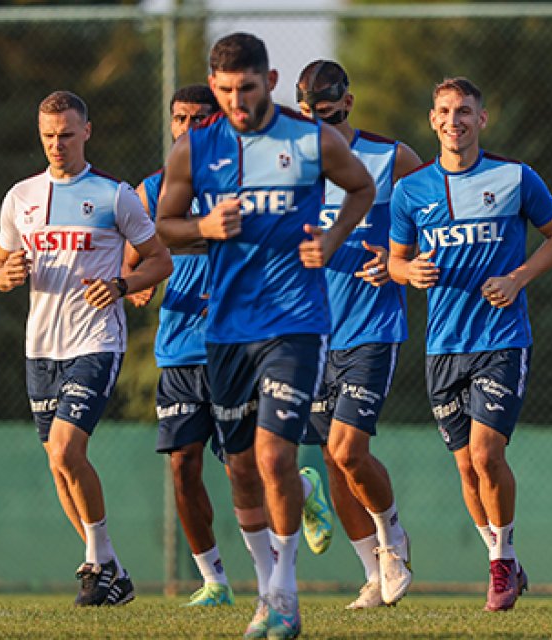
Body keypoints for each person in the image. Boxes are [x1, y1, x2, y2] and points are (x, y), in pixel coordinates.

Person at [154, 33, 376, 639]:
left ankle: (284, 593)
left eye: (246, 89)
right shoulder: (195, 151)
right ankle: (263, 586)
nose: (235, 101)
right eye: (224, 90)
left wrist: (330, 243)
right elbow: (163, 227)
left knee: (277, 454)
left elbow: (362, 186)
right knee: (241, 468)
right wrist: (202, 224)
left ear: (270, 81)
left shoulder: (310, 139)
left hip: (296, 321)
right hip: (225, 329)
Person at [387, 76, 552, 612]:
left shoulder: (515, 177)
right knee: (466, 465)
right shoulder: (411, 190)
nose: (454, 120)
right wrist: (408, 272)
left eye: (464, 111)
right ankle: (506, 561)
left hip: (501, 338)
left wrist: (517, 279)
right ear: (432, 120)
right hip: (443, 345)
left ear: (481, 119)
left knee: (489, 453)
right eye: (445, 111)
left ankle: (499, 562)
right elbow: (396, 260)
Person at [0, 90, 173, 606]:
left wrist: (120, 285)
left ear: (86, 133)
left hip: (95, 340)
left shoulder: (114, 195)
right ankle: (109, 566)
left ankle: (98, 563)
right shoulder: (20, 197)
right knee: (58, 462)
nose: (57, 145)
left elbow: (158, 259)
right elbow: (2, 267)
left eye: (67, 135)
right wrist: (6, 275)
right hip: (40, 348)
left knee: (68, 449)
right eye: (49, 135)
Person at [295, 59, 422, 609]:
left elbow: (431, 227)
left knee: (348, 450)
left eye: (324, 115)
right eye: (305, 117)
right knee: (331, 459)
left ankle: (393, 538)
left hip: (372, 325)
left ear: (346, 105)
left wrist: (397, 259)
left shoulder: (394, 158)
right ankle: (372, 572)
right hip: (312, 333)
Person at [127, 84, 237, 606]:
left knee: (245, 467)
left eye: (199, 118)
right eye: (179, 118)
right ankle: (213, 579)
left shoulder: (241, 181)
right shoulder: (150, 190)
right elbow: (133, 259)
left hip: (236, 345)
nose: (188, 128)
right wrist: (139, 279)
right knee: (183, 463)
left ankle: (301, 490)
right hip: (179, 349)